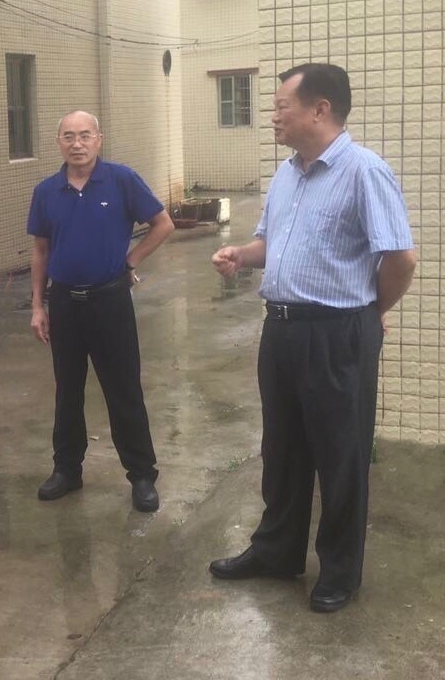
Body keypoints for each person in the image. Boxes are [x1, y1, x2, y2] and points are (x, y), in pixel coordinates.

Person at [208, 63, 416, 613]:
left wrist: (371, 312)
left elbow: (400, 258)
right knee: (282, 448)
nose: (273, 116)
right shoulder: (287, 174)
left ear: (320, 110)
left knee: (340, 453)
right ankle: (277, 552)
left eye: (282, 106)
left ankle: (340, 571)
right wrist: (241, 256)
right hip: (280, 330)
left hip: (336, 333)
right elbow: (270, 243)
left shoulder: (364, 171)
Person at [27, 110, 174, 511]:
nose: (77, 144)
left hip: (110, 301)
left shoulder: (121, 180)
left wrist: (130, 261)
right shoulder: (46, 191)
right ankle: (67, 470)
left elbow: (163, 224)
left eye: (85, 135)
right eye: (69, 136)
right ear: (58, 142)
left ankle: (141, 475)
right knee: (67, 390)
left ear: (99, 139)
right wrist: (38, 305)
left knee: (123, 389)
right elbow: (40, 249)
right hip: (64, 304)